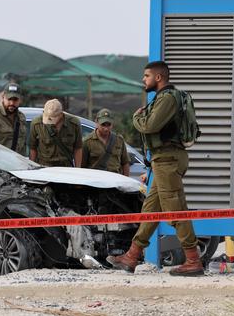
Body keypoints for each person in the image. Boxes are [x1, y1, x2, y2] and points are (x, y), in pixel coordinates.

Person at [107, 61, 203, 276]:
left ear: (158, 78)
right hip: (163, 161)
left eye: (147, 75)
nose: (144, 79)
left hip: (168, 160)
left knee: (176, 210)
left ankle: (193, 260)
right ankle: (131, 256)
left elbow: (150, 126)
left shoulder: (167, 98)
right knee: (150, 210)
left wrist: (137, 117)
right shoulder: (164, 98)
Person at [29, 99, 82, 167]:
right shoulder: (37, 124)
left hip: (66, 167)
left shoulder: (74, 124)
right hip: (44, 167)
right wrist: (31, 168)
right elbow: (33, 148)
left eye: (52, 118)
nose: (49, 120)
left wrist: (77, 168)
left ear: (61, 115)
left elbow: (78, 148)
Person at [81, 108, 131, 176]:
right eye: (103, 125)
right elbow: (82, 167)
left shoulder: (119, 140)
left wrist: (126, 181)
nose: (106, 128)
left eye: (109, 125)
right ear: (96, 122)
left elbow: (125, 163)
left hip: (115, 180)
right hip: (95, 181)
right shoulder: (87, 141)